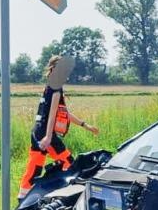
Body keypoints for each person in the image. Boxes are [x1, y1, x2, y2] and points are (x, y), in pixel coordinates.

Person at [19, 55, 99, 194]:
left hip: (37, 132)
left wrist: (85, 125)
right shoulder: (56, 88)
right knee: (69, 163)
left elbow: (64, 113)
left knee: (34, 168)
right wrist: (49, 137)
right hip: (44, 133)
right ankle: (63, 191)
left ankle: (23, 196)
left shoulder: (49, 86)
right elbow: (52, 114)